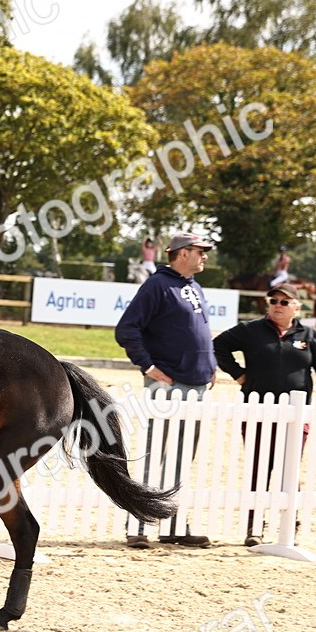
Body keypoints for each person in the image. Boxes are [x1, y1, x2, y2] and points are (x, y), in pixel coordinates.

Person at [213, 283, 316, 545]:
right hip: (257, 411)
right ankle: (254, 527)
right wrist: (239, 375)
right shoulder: (250, 330)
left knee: (291, 469)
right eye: (273, 301)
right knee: (259, 469)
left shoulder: (309, 336)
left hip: (296, 414)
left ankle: (291, 524)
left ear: (297, 307)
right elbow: (218, 346)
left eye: (284, 302)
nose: (278, 305)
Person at [115, 232, 218, 548]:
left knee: (182, 456)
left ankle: (172, 524)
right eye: (200, 251)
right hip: (169, 384)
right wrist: (147, 366)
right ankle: (139, 525)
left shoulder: (194, 287)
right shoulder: (157, 286)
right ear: (182, 253)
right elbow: (126, 329)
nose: (205, 256)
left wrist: (210, 365)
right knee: (155, 453)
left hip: (197, 385)